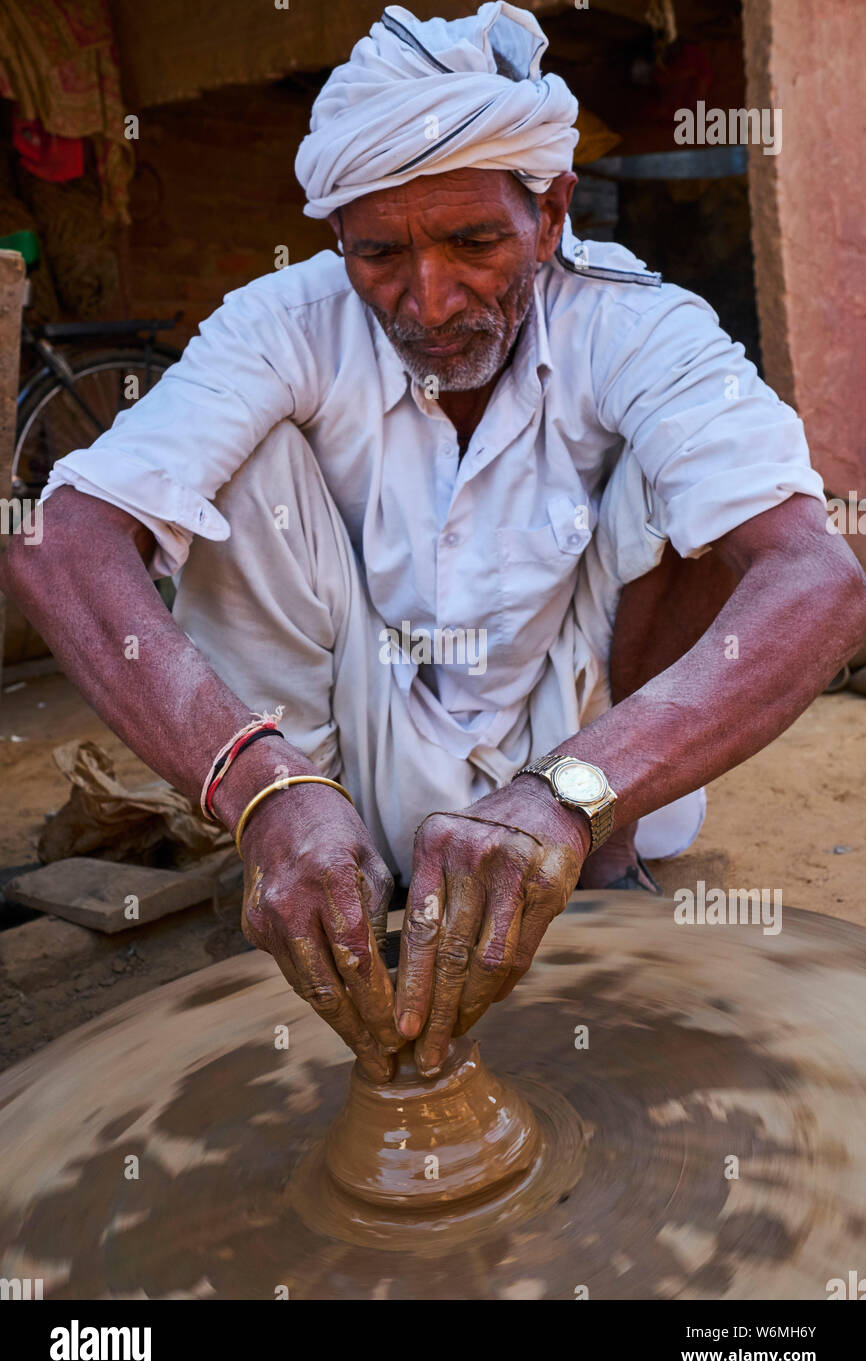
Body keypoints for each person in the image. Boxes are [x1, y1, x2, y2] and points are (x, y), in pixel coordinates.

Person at [2, 3, 864, 1086]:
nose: (428, 299)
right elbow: (57, 544)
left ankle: (599, 865)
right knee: (235, 461)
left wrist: (572, 793)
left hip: (578, 753)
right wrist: (257, 784)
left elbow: (817, 581)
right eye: (378, 253)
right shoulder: (284, 321)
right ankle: (312, 861)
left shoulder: (639, 325)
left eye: (473, 243)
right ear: (334, 240)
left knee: (690, 483)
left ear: (549, 213)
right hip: (337, 757)